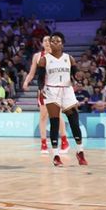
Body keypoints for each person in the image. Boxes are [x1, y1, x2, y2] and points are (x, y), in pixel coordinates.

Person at [38, 33, 87, 167]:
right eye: (52, 41)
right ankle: (55, 155)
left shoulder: (69, 58)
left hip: (67, 90)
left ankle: (80, 151)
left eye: (57, 41)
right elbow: (40, 78)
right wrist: (41, 89)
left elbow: (76, 75)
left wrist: (79, 77)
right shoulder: (44, 60)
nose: (54, 43)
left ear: (62, 44)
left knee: (74, 121)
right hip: (51, 91)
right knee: (54, 122)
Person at [22, 35, 68, 155]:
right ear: (42, 43)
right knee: (43, 116)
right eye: (45, 41)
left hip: (56, 89)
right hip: (43, 90)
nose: (47, 42)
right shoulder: (37, 56)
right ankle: (43, 143)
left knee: (57, 115)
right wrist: (26, 81)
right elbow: (32, 73)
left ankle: (64, 140)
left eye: (49, 40)